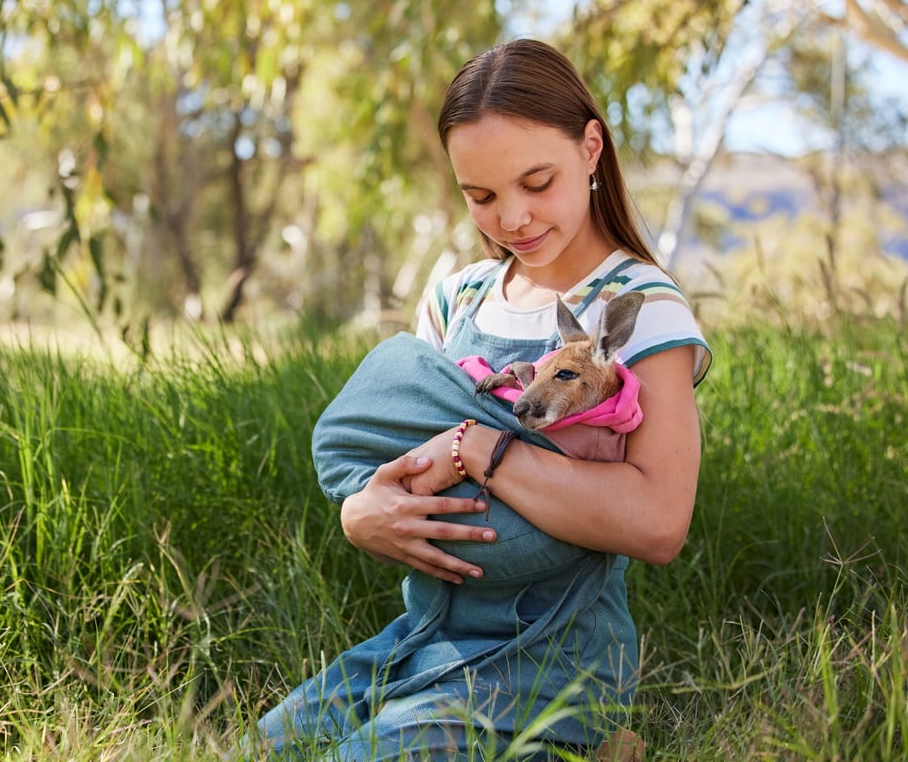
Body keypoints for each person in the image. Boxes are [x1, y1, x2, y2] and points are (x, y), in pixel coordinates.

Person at [237, 39, 711, 761]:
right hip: (422, 641)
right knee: (257, 750)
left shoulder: (641, 309)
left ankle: (580, 739)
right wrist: (359, 512)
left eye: (536, 181)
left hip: (552, 661)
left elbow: (658, 522)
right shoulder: (456, 298)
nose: (513, 219)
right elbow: (392, 446)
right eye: (482, 196)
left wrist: (478, 445)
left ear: (590, 150)